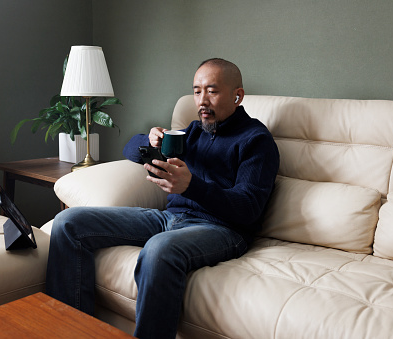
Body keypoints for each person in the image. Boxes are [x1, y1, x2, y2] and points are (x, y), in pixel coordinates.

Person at [45, 58, 280, 339]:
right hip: (168, 218)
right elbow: (130, 149)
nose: (202, 100)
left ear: (237, 95)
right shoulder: (192, 131)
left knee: (158, 249)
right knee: (68, 222)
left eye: (212, 91)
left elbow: (248, 208)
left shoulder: (256, 140)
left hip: (223, 229)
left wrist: (192, 186)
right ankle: (72, 331)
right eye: (196, 91)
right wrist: (150, 140)